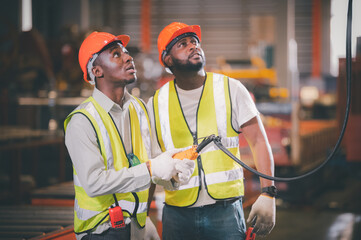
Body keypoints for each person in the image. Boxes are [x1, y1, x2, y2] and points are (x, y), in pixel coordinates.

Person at [147, 22, 276, 240]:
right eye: (183, 44)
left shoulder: (231, 89)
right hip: (177, 213)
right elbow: (152, 162)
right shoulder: (156, 103)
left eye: (195, 42)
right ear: (167, 59)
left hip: (225, 211)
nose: (193, 46)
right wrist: (143, 217)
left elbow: (259, 142)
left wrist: (268, 193)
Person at [64, 31, 195, 240]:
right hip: (100, 230)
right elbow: (94, 183)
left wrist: (172, 172)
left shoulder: (138, 108)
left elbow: (149, 162)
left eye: (125, 52)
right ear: (97, 70)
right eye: (116, 54)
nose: (128, 57)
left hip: (137, 224)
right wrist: (152, 168)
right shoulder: (82, 121)